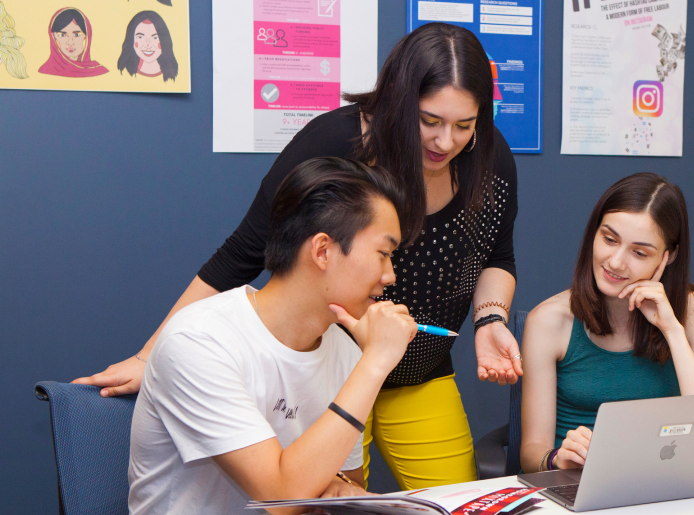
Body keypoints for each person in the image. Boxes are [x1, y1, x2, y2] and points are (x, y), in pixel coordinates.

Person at [78, 22, 521, 489]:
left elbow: (498, 253)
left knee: (457, 498)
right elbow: (244, 251)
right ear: (396, 99)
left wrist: (490, 321)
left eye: (464, 126)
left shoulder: (488, 159)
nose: (445, 141)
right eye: (429, 121)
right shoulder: (336, 143)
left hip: (421, 368)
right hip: (333, 367)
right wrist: (154, 355)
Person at [128, 157, 416, 514]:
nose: (391, 276)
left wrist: (340, 485)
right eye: (384, 254)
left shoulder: (344, 349)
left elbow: (346, 488)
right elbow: (282, 496)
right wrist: (375, 362)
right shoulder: (198, 341)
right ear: (323, 250)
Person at [519, 173, 694, 473]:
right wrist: (556, 458)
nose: (616, 262)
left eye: (639, 252)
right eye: (609, 239)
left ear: (668, 258)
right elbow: (530, 453)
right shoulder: (549, 321)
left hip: (671, 480)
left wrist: (672, 330)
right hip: (579, 484)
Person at [38, 8, 108, 77]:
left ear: (86, 37)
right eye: (62, 35)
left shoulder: (98, 70)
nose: (70, 42)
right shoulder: (45, 71)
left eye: (76, 35)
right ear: (53, 37)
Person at [117, 11, 178, 81]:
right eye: (140, 37)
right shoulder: (125, 72)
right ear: (131, 40)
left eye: (155, 38)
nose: (147, 45)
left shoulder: (172, 74)